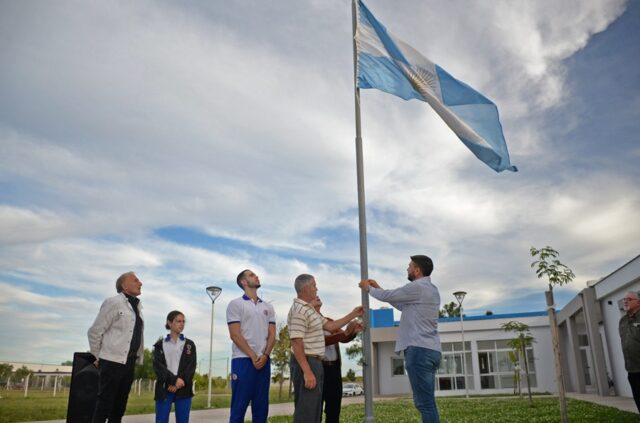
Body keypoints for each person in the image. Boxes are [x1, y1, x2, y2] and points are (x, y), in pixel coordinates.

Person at [359, 255, 441, 423]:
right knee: (428, 403)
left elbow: (390, 295)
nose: (407, 268)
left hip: (419, 350)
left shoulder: (417, 287)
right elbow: (400, 304)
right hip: (430, 350)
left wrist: (368, 289)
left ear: (417, 270)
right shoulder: (430, 289)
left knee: (425, 404)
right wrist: (379, 288)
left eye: (410, 266)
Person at [287, 274, 364, 423]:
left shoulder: (310, 311)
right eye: (314, 285)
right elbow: (296, 342)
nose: (317, 289)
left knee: (314, 411)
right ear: (306, 287)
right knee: (307, 410)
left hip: (316, 362)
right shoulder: (298, 310)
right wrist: (307, 371)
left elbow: (331, 326)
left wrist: (353, 314)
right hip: (307, 362)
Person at [88, 271, 144, 423]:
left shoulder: (137, 307)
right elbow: (94, 332)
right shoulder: (114, 302)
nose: (141, 283)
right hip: (112, 361)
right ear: (124, 286)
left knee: (119, 407)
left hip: (129, 362)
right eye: (136, 280)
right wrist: (98, 357)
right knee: (104, 405)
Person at [226, 269, 276, 423]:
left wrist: (265, 355)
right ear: (244, 282)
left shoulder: (268, 306)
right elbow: (235, 335)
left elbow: (273, 335)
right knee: (238, 409)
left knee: (261, 409)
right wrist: (253, 355)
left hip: (264, 361)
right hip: (243, 360)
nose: (257, 276)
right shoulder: (235, 304)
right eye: (252, 275)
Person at [311, 296, 363, 423]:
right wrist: (345, 333)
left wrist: (353, 332)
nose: (317, 297)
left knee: (334, 408)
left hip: (334, 369)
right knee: (316, 409)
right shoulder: (311, 323)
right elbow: (322, 341)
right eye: (313, 297)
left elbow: (344, 338)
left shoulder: (329, 321)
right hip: (320, 369)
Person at [153, 310, 197, 423]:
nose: (182, 324)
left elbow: (191, 367)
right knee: (161, 420)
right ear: (169, 323)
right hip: (165, 387)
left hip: (183, 387)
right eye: (178, 321)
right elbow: (158, 367)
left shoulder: (189, 345)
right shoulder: (160, 345)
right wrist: (172, 381)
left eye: (183, 321)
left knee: (183, 420)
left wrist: (178, 382)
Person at [619, 290, 640, 413]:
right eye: (624, 299)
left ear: (638, 302)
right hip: (631, 369)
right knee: (638, 398)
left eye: (629, 299)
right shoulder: (622, 321)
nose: (625, 301)